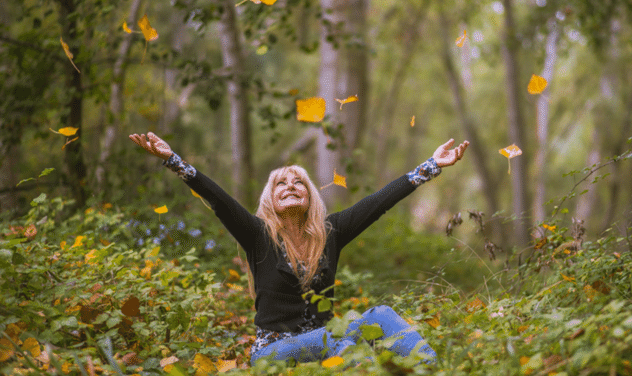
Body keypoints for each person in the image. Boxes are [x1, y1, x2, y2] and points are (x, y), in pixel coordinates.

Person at [129, 132, 469, 366]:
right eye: (281, 183)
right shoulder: (258, 235)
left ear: (309, 197)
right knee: (344, 343)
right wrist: (172, 159)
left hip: (327, 339)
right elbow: (217, 199)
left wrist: (432, 165)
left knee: (377, 317)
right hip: (272, 351)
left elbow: (378, 202)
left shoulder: (330, 232)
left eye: (299, 182)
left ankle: (431, 368)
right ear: (270, 199)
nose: (290, 186)